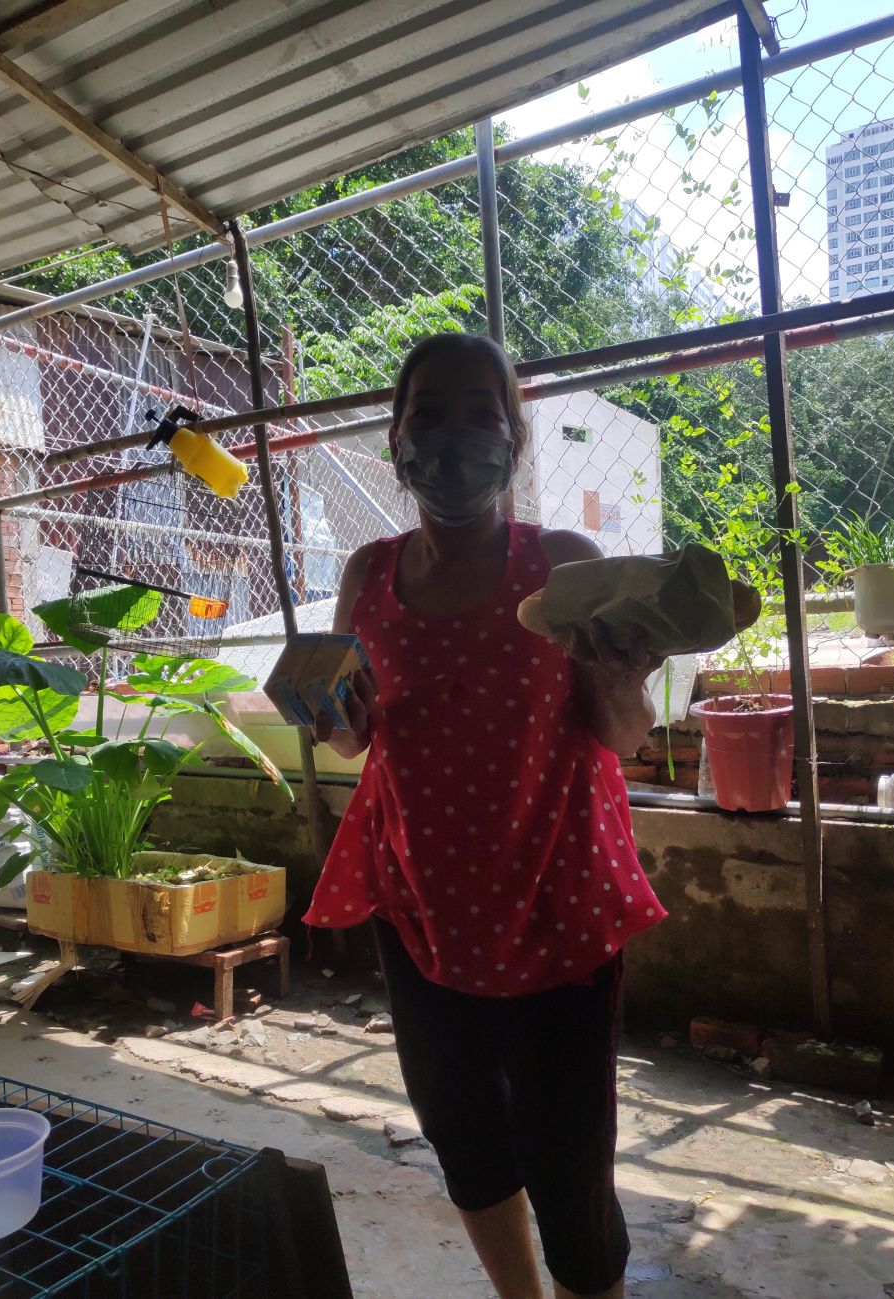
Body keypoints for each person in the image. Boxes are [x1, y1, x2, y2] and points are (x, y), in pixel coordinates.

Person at [303, 332, 667, 1299]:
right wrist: (327, 711)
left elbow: (622, 732)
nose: (454, 436)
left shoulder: (566, 565)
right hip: (418, 906)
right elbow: (352, 737)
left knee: (569, 1160)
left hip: (556, 903)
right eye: (428, 413)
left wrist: (621, 679)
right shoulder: (368, 573)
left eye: (481, 413)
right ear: (396, 441)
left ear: (514, 439)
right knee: (461, 1132)